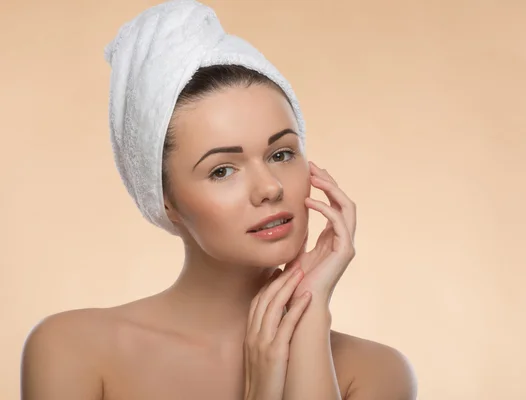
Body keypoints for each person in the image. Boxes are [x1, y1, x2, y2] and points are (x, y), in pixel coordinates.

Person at [20, 1, 417, 399]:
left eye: (281, 154)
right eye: (222, 170)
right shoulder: (73, 350)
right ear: (167, 200)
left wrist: (309, 318)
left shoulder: (375, 371)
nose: (269, 188)